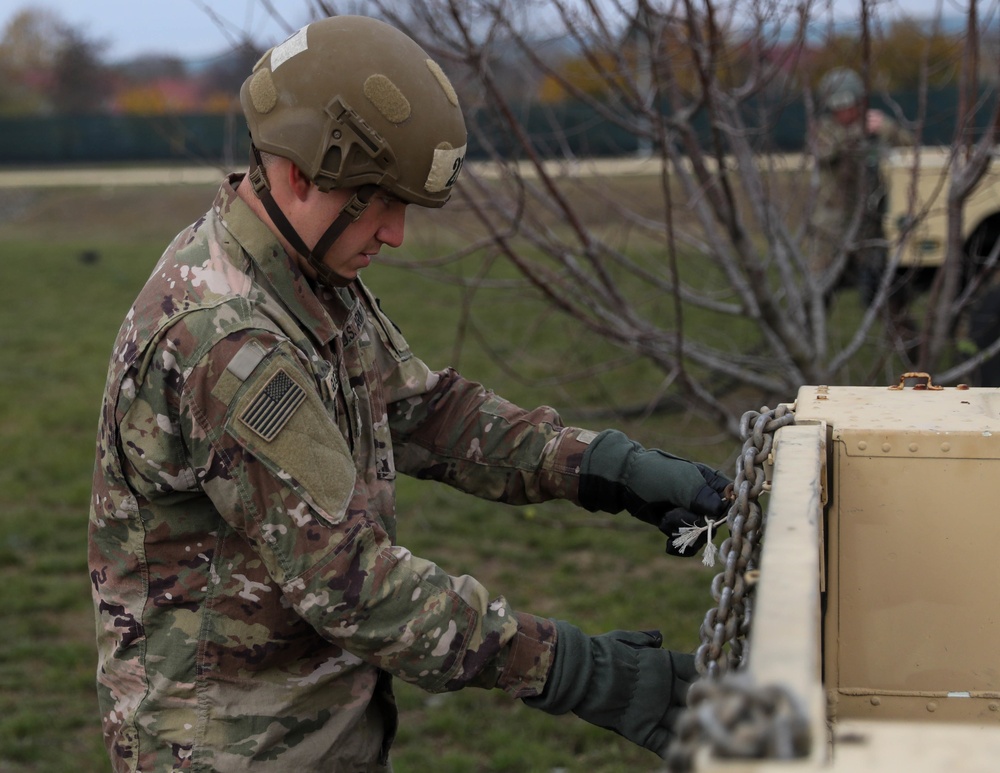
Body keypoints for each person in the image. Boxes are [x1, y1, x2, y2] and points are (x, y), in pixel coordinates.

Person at [88, 16, 731, 772]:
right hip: (231, 749)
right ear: (301, 175)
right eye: (380, 202)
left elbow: (427, 412)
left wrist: (610, 468)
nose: (396, 234)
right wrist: (582, 672)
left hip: (311, 728)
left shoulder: (306, 274)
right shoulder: (228, 341)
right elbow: (352, 583)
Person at [811, 67, 913, 313]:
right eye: (838, 107)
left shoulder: (877, 126)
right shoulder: (824, 129)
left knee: (882, 296)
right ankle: (807, 347)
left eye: (848, 105)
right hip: (832, 228)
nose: (844, 113)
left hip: (870, 226)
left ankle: (908, 344)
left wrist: (886, 129)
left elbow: (909, 148)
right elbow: (826, 152)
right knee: (816, 294)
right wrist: (859, 133)